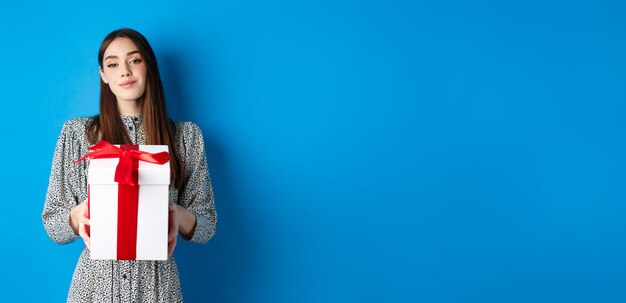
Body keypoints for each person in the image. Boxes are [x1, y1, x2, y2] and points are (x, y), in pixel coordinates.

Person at [42, 28, 217, 302]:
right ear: (103, 76)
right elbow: (53, 223)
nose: (124, 71)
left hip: (159, 291)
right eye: (113, 64)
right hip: (93, 291)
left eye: (134, 60)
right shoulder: (77, 134)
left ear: (149, 66)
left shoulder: (186, 137)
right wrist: (78, 216)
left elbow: (206, 225)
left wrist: (176, 215)